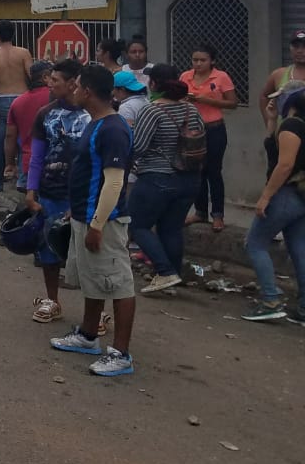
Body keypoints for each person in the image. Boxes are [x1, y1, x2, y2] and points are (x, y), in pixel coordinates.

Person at [49, 64, 137, 378]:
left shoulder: (112, 128)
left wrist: (98, 224)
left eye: (77, 86)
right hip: (86, 215)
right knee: (93, 279)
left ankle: (121, 353)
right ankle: (88, 336)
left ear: (87, 91)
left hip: (106, 221)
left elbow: (114, 182)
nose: (72, 90)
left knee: (118, 284)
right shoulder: (97, 122)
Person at [126, 64, 203, 295]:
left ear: (154, 84)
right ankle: (172, 276)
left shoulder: (152, 110)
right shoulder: (192, 110)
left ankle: (165, 271)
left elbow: (137, 147)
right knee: (171, 229)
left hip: (157, 178)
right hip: (190, 179)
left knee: (137, 225)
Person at [25, 59, 87, 325]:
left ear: (73, 83)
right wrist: (31, 190)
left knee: (86, 255)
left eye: (55, 80)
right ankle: (52, 300)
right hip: (50, 193)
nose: (49, 83)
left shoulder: (91, 115)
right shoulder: (45, 114)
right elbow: (37, 156)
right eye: (49, 79)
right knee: (48, 249)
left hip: (83, 196)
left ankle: (94, 310)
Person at [243, 81, 305, 322]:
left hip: (286, 193)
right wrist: (270, 120)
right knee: (299, 247)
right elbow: (273, 150)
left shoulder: (291, 126)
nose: (273, 101)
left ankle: (270, 299)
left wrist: (266, 196)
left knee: (255, 243)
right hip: (299, 196)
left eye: (278, 97)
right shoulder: (291, 124)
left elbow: (285, 164)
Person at [180, 42, 237, 231]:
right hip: (192, 130)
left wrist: (206, 100)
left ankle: (218, 214)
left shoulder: (221, 77)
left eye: (203, 60)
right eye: (195, 60)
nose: (198, 64)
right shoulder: (186, 76)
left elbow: (232, 103)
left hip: (214, 128)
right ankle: (200, 212)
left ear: (212, 61)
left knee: (214, 171)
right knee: (197, 171)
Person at [0, 21, 33, 191]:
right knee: (24, 139)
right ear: (13, 34)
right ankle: (23, 181)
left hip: (2, 99)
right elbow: (32, 75)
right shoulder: (23, 53)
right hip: (23, 98)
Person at [5, 60, 53, 198]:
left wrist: (10, 163)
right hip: (54, 164)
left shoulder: (18, 102)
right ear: (45, 76)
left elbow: (10, 136)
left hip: (28, 164)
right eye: (53, 76)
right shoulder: (56, 98)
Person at [257, 29, 305, 137]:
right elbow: (264, 96)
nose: (300, 51)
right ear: (290, 48)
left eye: (304, 46)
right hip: (283, 137)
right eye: (296, 46)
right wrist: (270, 122)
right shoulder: (279, 74)